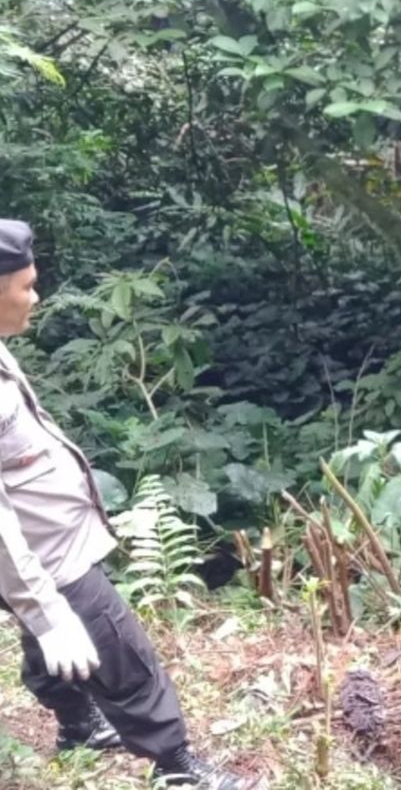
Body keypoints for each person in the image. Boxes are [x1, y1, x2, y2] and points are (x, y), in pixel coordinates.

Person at [0, 220, 247, 789]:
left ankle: (78, 725)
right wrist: (47, 610)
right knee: (115, 645)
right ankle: (177, 765)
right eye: (26, 286)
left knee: (61, 634)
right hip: (41, 549)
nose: (35, 296)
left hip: (46, 541)